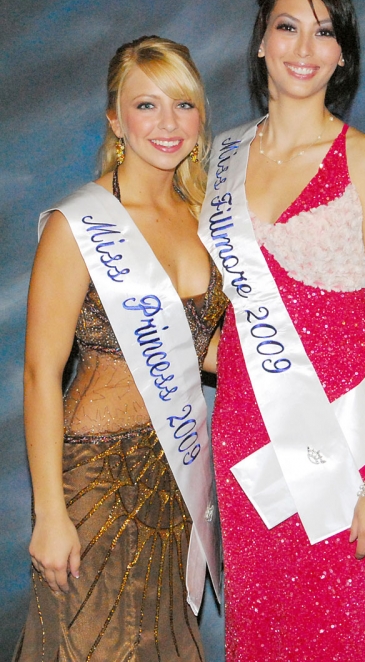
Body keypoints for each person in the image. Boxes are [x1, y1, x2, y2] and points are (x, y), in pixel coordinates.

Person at [198, 0, 365, 661]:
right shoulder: (218, 157)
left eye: (324, 33)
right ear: (261, 41)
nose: (303, 47)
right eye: (287, 26)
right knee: (259, 637)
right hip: (247, 442)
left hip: (343, 448)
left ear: (344, 54)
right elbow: (192, 295)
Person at [15, 36, 227, 661]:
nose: (168, 124)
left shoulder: (206, 217)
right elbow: (38, 373)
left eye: (183, 106)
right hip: (93, 483)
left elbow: (204, 349)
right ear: (115, 119)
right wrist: (50, 513)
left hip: (176, 479)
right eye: (147, 105)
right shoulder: (78, 223)